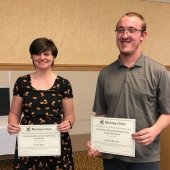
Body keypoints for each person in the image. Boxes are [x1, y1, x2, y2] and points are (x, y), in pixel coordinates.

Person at [87, 12, 170, 170]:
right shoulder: (105, 74)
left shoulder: (158, 71)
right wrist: (97, 140)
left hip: (145, 157)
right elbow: (101, 114)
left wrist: (154, 130)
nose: (125, 35)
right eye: (120, 30)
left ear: (143, 35)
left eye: (131, 30)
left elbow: (167, 112)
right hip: (112, 155)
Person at [7, 37, 75, 170]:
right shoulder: (22, 82)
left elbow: (70, 115)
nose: (42, 57)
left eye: (46, 53)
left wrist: (68, 123)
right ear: (32, 57)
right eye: (37, 53)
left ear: (53, 57)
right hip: (29, 140)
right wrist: (12, 123)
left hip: (56, 139)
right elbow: (14, 113)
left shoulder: (64, 84)